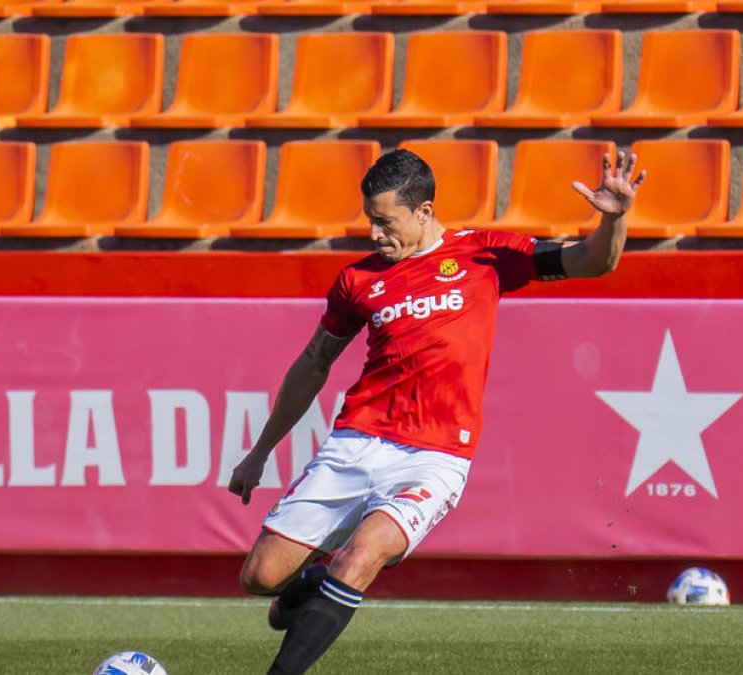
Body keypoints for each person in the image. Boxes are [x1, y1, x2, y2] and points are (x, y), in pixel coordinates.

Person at [228, 148, 646, 675]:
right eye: (370, 221)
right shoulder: (358, 281)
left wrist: (613, 218)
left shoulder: (484, 253)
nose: (375, 234)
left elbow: (593, 261)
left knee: (362, 556)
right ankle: (311, 582)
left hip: (435, 455)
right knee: (261, 577)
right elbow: (313, 363)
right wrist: (260, 453)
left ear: (423, 211)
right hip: (357, 440)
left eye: (385, 222)